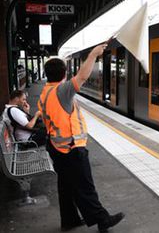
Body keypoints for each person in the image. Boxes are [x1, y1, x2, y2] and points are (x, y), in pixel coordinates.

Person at [38, 43, 124, 232]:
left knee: (66, 185)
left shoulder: (45, 93)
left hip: (55, 146)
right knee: (85, 186)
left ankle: (69, 220)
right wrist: (94, 53)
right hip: (71, 148)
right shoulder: (62, 91)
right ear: (64, 74)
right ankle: (103, 220)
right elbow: (83, 76)